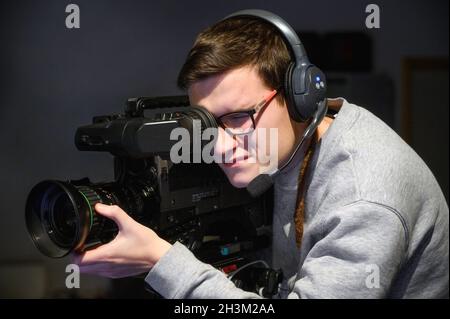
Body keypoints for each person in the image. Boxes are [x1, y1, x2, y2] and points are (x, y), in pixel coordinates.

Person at [73, 11, 449, 298]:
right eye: (205, 123)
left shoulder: (362, 196)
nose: (217, 146)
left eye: (238, 117)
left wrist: (163, 263)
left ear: (299, 96)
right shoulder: (292, 145)